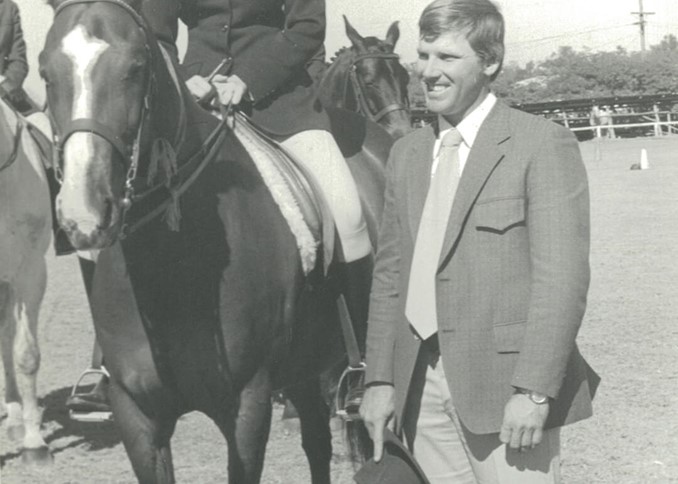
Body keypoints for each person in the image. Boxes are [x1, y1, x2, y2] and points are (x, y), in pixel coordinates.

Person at [69, 0, 374, 414]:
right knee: (111, 205)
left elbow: (307, 26)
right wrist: (183, 79)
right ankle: (108, 364)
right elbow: (155, 32)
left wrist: (249, 79)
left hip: (281, 101)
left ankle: (363, 364)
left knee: (348, 215)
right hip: (194, 101)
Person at [359, 1, 599, 483]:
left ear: (489, 62)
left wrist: (533, 391)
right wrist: (380, 378)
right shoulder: (406, 154)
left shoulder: (541, 144)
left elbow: (562, 283)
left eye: (447, 57)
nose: (428, 72)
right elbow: (389, 276)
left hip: (505, 391)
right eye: (422, 55)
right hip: (418, 386)